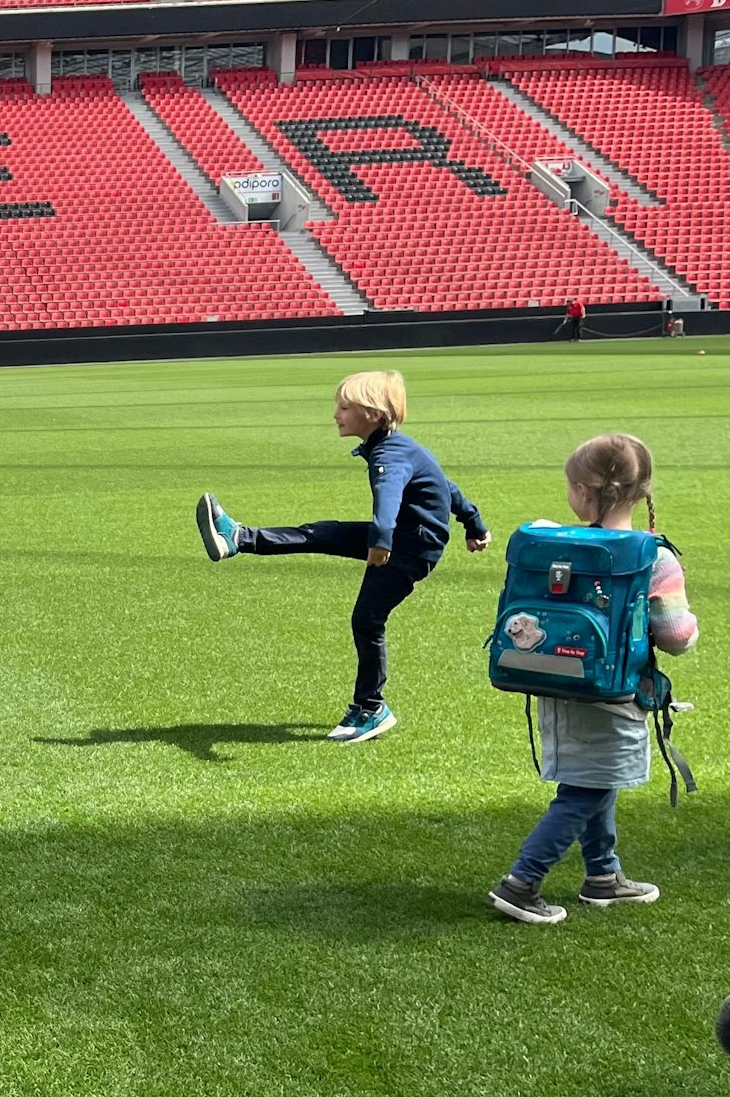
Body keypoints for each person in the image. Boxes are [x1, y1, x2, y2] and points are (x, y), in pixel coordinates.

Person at [193, 370, 491, 743]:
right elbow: (446, 486)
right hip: (404, 536)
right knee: (322, 533)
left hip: (409, 547)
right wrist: (474, 524)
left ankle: (371, 708)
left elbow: (389, 496)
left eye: (345, 407)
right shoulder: (399, 447)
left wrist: (380, 542)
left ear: (374, 414)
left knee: (367, 619)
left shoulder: (390, 455)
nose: (336, 414)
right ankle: (238, 538)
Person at [488, 434, 698, 925]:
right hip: (614, 694)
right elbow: (676, 637)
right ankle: (522, 882)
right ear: (641, 491)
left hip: (554, 681)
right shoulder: (654, 558)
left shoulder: (551, 542)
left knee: (592, 779)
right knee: (589, 788)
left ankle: (603, 874)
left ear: (582, 491)